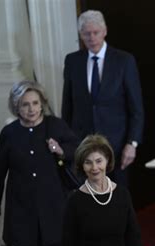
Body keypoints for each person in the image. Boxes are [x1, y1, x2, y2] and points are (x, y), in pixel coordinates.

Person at [0, 80, 78, 246]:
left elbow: (76, 150)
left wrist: (60, 150)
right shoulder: (9, 133)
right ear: (16, 106)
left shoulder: (55, 126)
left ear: (42, 104)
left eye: (35, 103)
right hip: (21, 209)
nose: (31, 109)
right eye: (25, 104)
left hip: (52, 205)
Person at [61, 134, 144, 246]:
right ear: (82, 165)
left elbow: (134, 237)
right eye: (88, 162)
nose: (94, 167)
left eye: (99, 161)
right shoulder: (74, 200)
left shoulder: (122, 194)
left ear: (107, 160)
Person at [61, 10, 144, 186]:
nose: (91, 37)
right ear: (81, 35)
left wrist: (132, 143)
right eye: (86, 33)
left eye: (95, 32)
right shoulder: (72, 61)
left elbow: (136, 108)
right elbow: (67, 106)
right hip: (82, 146)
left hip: (117, 147)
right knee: (87, 200)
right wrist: (67, 143)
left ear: (104, 31)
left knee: (117, 198)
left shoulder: (124, 60)